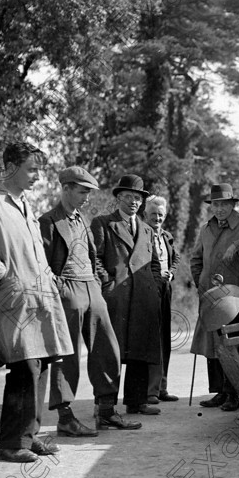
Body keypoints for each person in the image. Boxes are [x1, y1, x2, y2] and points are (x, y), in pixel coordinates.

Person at [0, 142, 73, 463]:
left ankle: (29, 436)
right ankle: (10, 443)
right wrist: (3, 276)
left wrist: (50, 278)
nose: (38, 176)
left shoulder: (25, 207)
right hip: (12, 301)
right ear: (10, 167)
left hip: (41, 300)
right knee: (23, 368)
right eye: (32, 169)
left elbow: (36, 255)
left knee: (41, 363)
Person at [38, 166, 142, 434]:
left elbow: (92, 256)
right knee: (66, 354)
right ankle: (65, 418)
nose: (86, 197)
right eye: (82, 191)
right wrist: (59, 288)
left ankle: (106, 412)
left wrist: (97, 282)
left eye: (89, 192)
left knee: (109, 348)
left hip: (91, 288)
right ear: (66, 189)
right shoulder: (47, 221)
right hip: (68, 289)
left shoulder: (83, 220)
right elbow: (41, 264)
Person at [91, 175, 162, 417]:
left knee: (140, 350)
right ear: (119, 198)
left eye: (138, 198)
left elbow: (154, 264)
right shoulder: (103, 224)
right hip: (115, 298)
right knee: (110, 350)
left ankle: (136, 401)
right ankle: (105, 404)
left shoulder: (147, 229)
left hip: (144, 298)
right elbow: (95, 259)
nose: (134, 202)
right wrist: (107, 284)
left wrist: (154, 287)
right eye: (129, 197)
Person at [190, 184, 239, 412]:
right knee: (212, 344)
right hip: (210, 295)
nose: (219, 209)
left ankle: (234, 394)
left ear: (232, 204)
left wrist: (237, 244)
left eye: (224, 204)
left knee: (232, 345)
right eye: (215, 204)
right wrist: (201, 284)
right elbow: (196, 259)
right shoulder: (207, 229)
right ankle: (219, 391)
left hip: (236, 297)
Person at [144, 195, 181, 404]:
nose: (156, 218)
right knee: (151, 340)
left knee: (164, 339)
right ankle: (150, 390)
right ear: (145, 215)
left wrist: (172, 273)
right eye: (152, 214)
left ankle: (162, 387)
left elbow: (175, 257)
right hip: (148, 291)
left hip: (166, 290)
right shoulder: (141, 235)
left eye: (160, 214)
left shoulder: (167, 236)